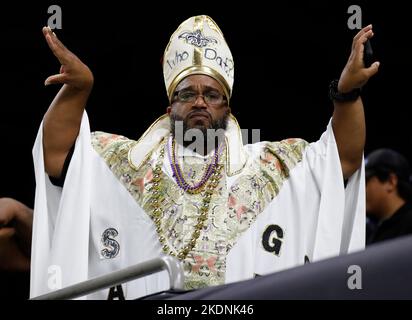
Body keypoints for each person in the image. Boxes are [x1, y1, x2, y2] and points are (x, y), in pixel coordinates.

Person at [31, 16, 379, 299]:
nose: (200, 102)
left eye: (212, 94)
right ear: (171, 106)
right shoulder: (124, 161)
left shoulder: (270, 165)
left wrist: (346, 94)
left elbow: (341, 160)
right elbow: (59, 154)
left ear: (226, 106)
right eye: (188, 94)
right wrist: (78, 91)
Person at [365, 149, 412, 244]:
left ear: (390, 182)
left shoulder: (408, 226)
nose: (362, 191)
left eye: (365, 181)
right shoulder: (374, 230)